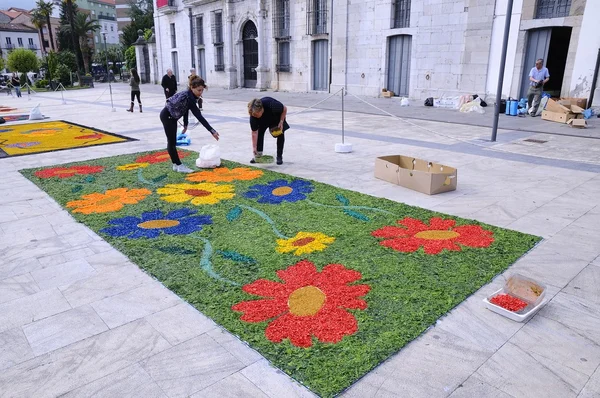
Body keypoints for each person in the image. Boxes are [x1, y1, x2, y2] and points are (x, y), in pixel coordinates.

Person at [160, 76, 219, 173]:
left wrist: (185, 124)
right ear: (192, 87)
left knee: (172, 142)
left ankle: (175, 164)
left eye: (202, 90)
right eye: (199, 90)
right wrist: (212, 131)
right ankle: (179, 165)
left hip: (170, 117)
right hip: (167, 117)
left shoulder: (189, 95)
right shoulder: (189, 97)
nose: (200, 93)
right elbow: (199, 116)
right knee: (171, 142)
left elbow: (185, 109)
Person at [248, 97, 289, 165]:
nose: (254, 116)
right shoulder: (253, 116)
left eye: (256, 114)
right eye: (253, 115)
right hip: (262, 122)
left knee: (279, 133)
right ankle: (258, 156)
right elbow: (254, 133)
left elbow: (284, 108)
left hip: (275, 118)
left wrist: (281, 121)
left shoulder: (271, 104)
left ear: (261, 109)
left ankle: (279, 156)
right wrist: (254, 147)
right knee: (260, 134)